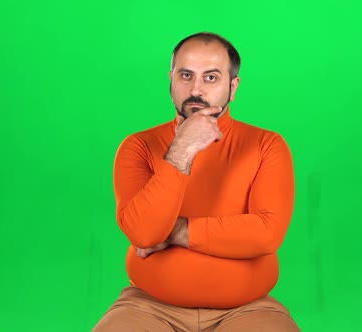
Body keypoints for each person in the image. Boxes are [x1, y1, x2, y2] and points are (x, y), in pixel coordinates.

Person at [92, 32, 299, 332]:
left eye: (211, 78)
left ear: (233, 86)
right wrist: (182, 149)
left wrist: (177, 231)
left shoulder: (266, 144)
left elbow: (265, 234)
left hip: (247, 309)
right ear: (171, 80)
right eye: (185, 75)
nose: (196, 89)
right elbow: (143, 233)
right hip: (149, 306)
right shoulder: (137, 146)